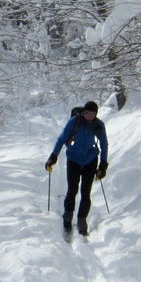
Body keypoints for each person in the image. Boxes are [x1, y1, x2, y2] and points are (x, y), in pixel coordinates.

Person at [46, 101, 108, 237]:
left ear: (96, 115)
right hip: (73, 159)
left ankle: (82, 220)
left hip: (90, 160)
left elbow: (104, 144)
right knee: (72, 189)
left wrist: (103, 165)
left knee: (86, 192)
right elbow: (61, 139)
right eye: (87, 113)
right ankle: (68, 214)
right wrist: (53, 156)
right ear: (83, 112)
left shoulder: (98, 125)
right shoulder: (74, 122)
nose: (89, 116)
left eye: (92, 114)